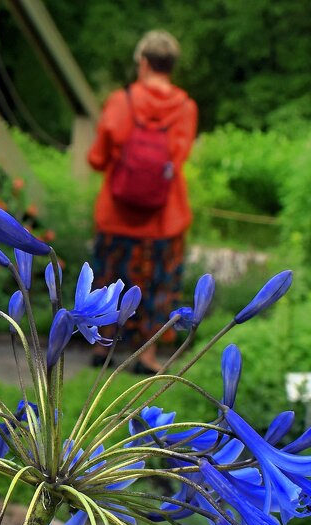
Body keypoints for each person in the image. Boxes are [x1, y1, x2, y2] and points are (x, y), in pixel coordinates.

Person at [87, 30, 197, 372]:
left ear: (144, 62)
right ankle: (147, 355)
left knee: (109, 279)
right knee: (158, 284)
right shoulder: (186, 108)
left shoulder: (121, 101)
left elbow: (98, 157)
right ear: (170, 66)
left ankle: (104, 347)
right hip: (165, 218)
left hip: (117, 214)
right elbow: (179, 157)